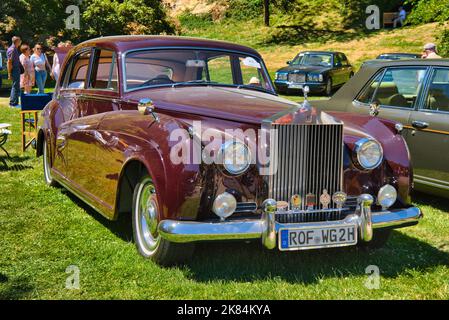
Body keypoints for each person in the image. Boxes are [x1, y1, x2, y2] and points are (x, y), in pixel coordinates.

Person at [6, 36, 22, 107]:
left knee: (16, 85)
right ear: (17, 41)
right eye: (20, 40)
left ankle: (15, 102)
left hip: (16, 69)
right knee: (15, 86)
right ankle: (12, 103)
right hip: (14, 69)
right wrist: (9, 73)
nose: (20, 42)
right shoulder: (12, 49)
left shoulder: (15, 49)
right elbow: (9, 62)